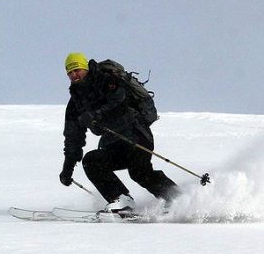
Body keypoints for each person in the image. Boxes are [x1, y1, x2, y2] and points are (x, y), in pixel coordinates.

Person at [59, 52, 179, 214]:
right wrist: (68, 168)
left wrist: (96, 114)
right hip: (113, 142)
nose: (74, 75)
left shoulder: (105, 81)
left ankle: (178, 200)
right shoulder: (75, 103)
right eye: (70, 72)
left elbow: (120, 101)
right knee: (92, 161)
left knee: (139, 172)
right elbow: (73, 137)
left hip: (137, 134)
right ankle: (121, 199)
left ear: (85, 68)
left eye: (77, 70)